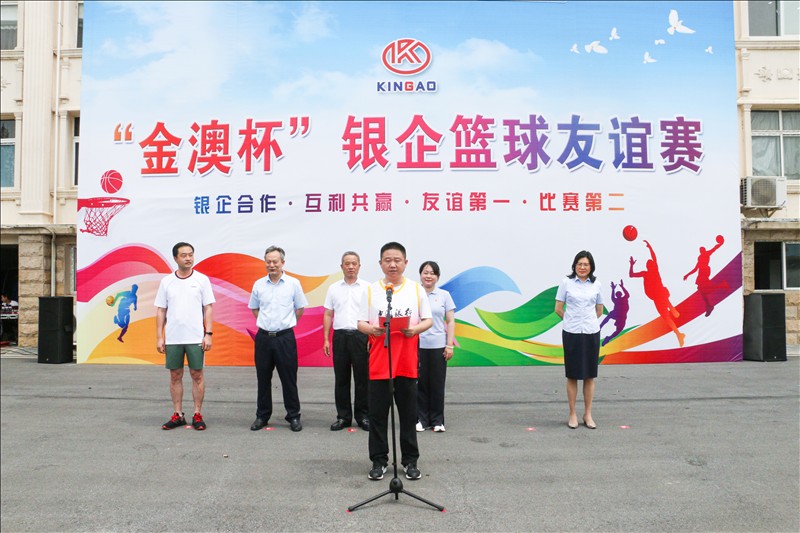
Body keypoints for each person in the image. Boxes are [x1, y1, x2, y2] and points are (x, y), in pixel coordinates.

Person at [358, 242, 432, 481]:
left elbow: (428, 319)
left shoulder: (416, 289)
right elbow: (360, 322)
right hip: (380, 361)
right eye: (388, 260)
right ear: (380, 264)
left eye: (397, 260)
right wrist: (372, 329)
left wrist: (415, 329)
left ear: (405, 263)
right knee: (378, 415)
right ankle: (379, 461)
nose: (392, 264)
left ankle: (410, 461)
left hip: (406, 361)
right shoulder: (371, 290)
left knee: (408, 415)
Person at [155, 242, 215, 431]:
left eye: (190, 254)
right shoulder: (166, 282)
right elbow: (161, 310)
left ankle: (197, 414)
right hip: (173, 338)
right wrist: (159, 337)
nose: (188, 258)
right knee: (175, 375)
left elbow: (208, 308)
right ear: (175, 258)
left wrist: (208, 334)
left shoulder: (202, 280)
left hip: (196, 337)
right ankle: (178, 414)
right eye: (184, 255)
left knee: (197, 374)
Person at [248, 245, 308, 432]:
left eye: (275, 261)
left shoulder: (293, 283)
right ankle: (262, 415)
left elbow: (300, 308)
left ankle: (293, 416)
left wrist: (287, 323)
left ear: (283, 262)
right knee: (263, 378)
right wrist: (265, 323)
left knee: (289, 379)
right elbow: (254, 308)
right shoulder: (259, 284)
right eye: (268, 262)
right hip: (264, 338)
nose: (272, 265)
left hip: (285, 338)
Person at [555, 251, 604, 430]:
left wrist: (587, 321)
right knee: (572, 375)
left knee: (589, 375)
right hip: (572, 333)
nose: (582, 267)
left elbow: (599, 310)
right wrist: (571, 320)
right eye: (579, 264)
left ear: (591, 267)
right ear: (574, 266)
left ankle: (588, 414)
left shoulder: (597, 284)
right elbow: (558, 308)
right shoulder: (566, 283)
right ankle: (572, 414)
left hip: (591, 332)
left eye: (586, 264)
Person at [323, 251, 371, 432]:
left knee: (362, 379)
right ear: (341, 266)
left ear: (359, 266)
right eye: (347, 263)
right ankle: (343, 417)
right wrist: (326, 339)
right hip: (340, 336)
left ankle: (363, 416)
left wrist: (371, 337)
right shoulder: (333, 288)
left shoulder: (368, 287)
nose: (351, 267)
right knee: (341, 379)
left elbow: (373, 315)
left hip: (361, 336)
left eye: (354, 263)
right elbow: (328, 314)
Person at [416, 261, 456, 433]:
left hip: (439, 346)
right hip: (418, 345)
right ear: (420, 275)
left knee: (437, 384)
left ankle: (438, 421)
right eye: (425, 272)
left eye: (432, 273)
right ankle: (421, 420)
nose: (428, 276)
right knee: (420, 384)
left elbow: (451, 321)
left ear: (437, 277)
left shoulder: (444, 295)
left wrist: (449, 345)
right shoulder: (414, 293)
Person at [629, 239, 685, 347]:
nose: (649, 264)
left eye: (649, 263)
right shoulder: (648, 272)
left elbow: (653, 258)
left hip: (660, 294)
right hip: (658, 296)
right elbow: (632, 274)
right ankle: (678, 333)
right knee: (666, 316)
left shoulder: (651, 271)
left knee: (662, 296)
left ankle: (672, 310)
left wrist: (649, 247)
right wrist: (632, 264)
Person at [684, 235, 726, 317]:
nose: (701, 251)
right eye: (700, 250)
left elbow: (714, 248)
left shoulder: (707, 254)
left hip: (704, 272)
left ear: (704, 250)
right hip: (701, 273)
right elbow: (695, 268)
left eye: (702, 250)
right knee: (703, 290)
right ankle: (710, 304)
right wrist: (687, 275)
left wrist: (721, 243)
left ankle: (710, 305)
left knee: (704, 289)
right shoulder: (700, 258)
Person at [599, 280, 629, 346]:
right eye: (617, 294)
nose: (618, 295)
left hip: (622, 316)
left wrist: (621, 287)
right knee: (608, 317)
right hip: (617, 313)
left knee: (618, 330)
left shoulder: (624, 298)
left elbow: (626, 294)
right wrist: (613, 289)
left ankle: (608, 338)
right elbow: (613, 297)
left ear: (620, 295)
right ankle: (600, 327)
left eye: (619, 294)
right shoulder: (617, 300)